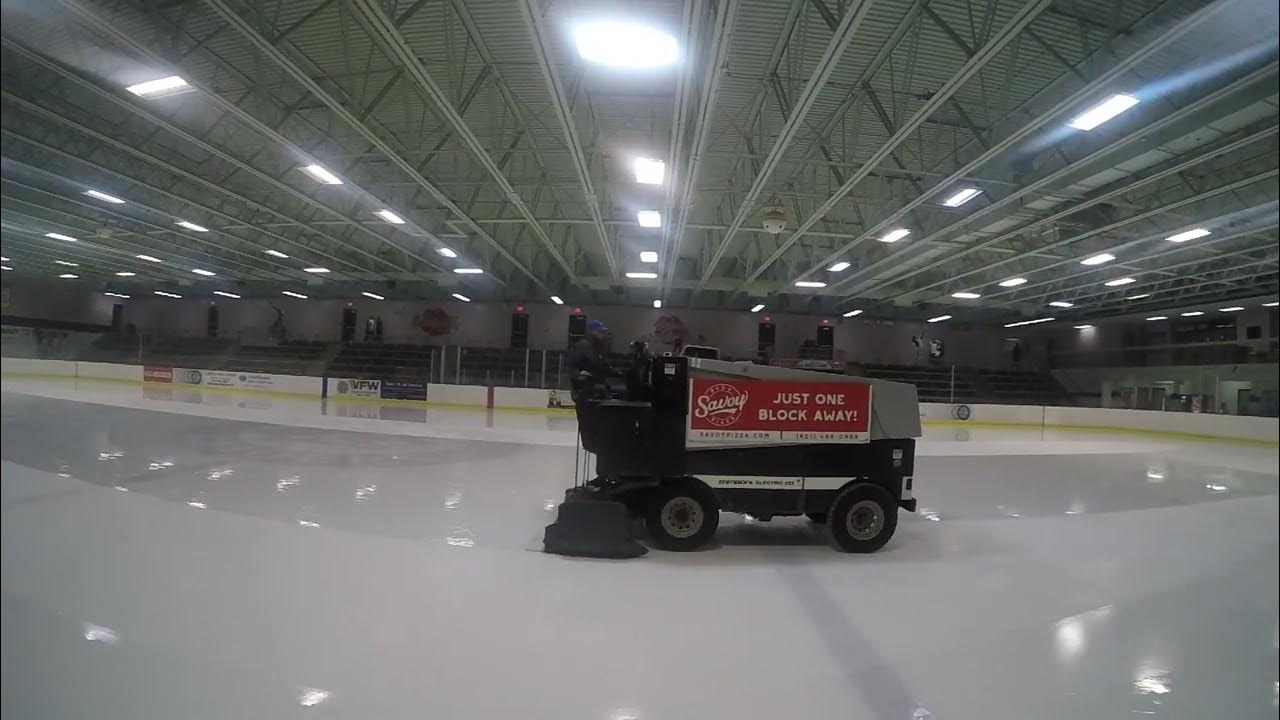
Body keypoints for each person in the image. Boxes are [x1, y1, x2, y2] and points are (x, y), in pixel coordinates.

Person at [568, 320, 614, 402]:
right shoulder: (584, 346)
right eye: (601, 331)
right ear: (593, 331)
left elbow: (601, 364)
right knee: (602, 390)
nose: (603, 334)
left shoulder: (596, 346)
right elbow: (573, 364)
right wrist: (579, 374)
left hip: (593, 382)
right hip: (586, 385)